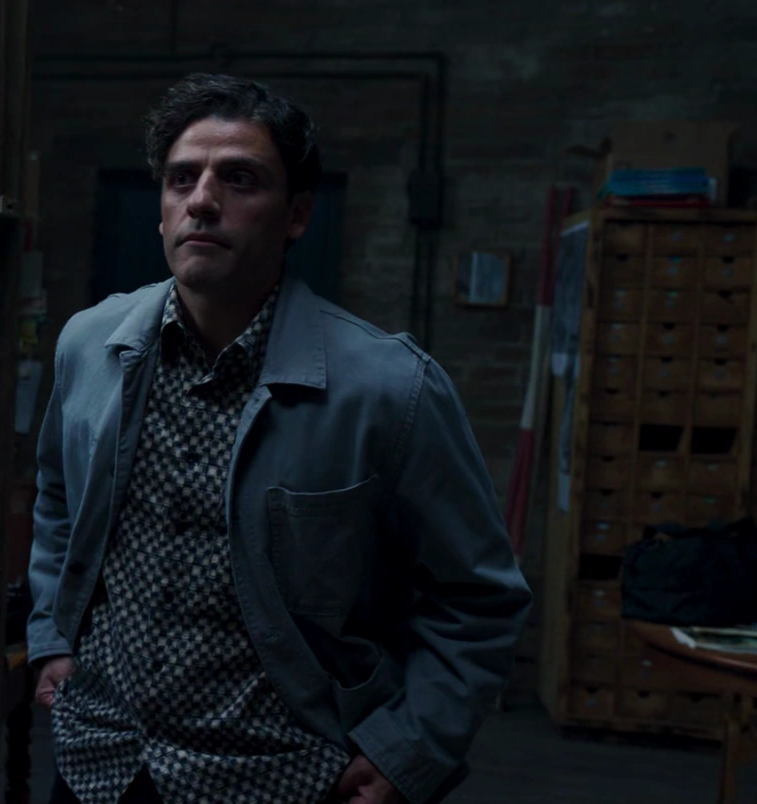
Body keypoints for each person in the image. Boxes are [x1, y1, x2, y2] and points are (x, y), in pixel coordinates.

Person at [27, 73, 532, 804]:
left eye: (239, 179)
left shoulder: (390, 388)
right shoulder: (89, 345)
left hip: (281, 775)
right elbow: (56, 498)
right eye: (182, 179)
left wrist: (410, 750)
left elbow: (478, 598)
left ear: (296, 215)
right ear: (161, 210)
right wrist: (52, 635)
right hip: (102, 762)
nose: (203, 200)